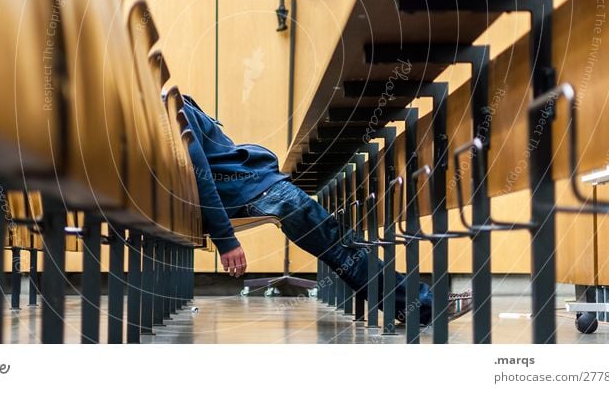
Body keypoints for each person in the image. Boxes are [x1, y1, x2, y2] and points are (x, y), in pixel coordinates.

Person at [180, 94, 472, 326]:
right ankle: (423, 307)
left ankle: (418, 304)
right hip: (260, 191)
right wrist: (225, 238)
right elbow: (200, 171)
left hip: (258, 188)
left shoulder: (172, 108)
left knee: (342, 244)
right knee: (342, 246)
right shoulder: (175, 106)